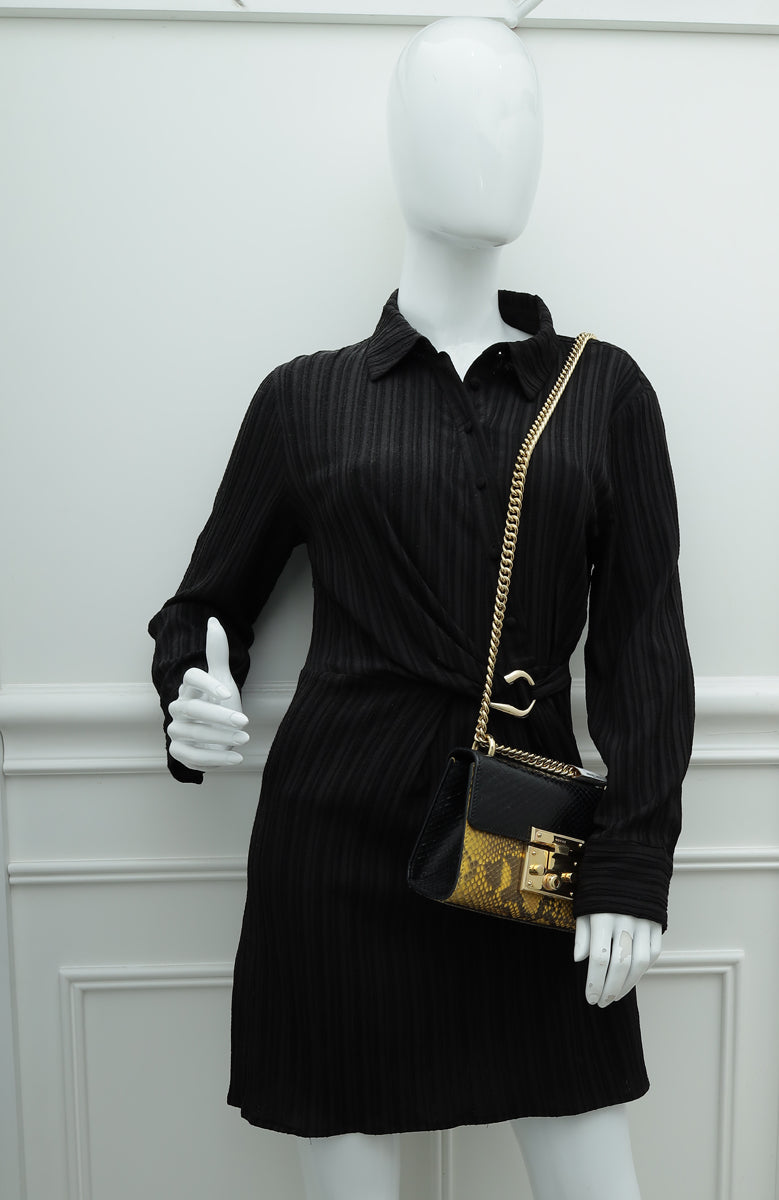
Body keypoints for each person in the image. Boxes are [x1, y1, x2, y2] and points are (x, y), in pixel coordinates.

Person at [148, 18, 694, 1200]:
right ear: (399, 139)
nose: (504, 138)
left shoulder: (601, 392)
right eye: (466, 107)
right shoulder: (304, 399)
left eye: (522, 110)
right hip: (334, 849)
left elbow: (645, 642)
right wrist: (192, 684)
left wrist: (631, 866)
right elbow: (204, 605)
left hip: (526, 840)